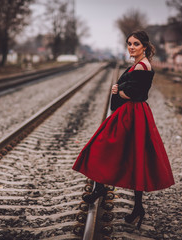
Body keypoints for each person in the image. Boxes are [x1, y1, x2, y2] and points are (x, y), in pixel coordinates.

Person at [72, 30, 175, 229]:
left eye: (136, 44)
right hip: (132, 114)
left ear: (144, 46)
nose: (131, 47)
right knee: (133, 157)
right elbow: (131, 90)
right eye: (129, 43)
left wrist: (119, 89)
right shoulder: (138, 65)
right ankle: (135, 206)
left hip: (133, 114)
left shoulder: (143, 66)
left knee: (106, 147)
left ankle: (109, 192)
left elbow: (136, 93)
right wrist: (120, 89)